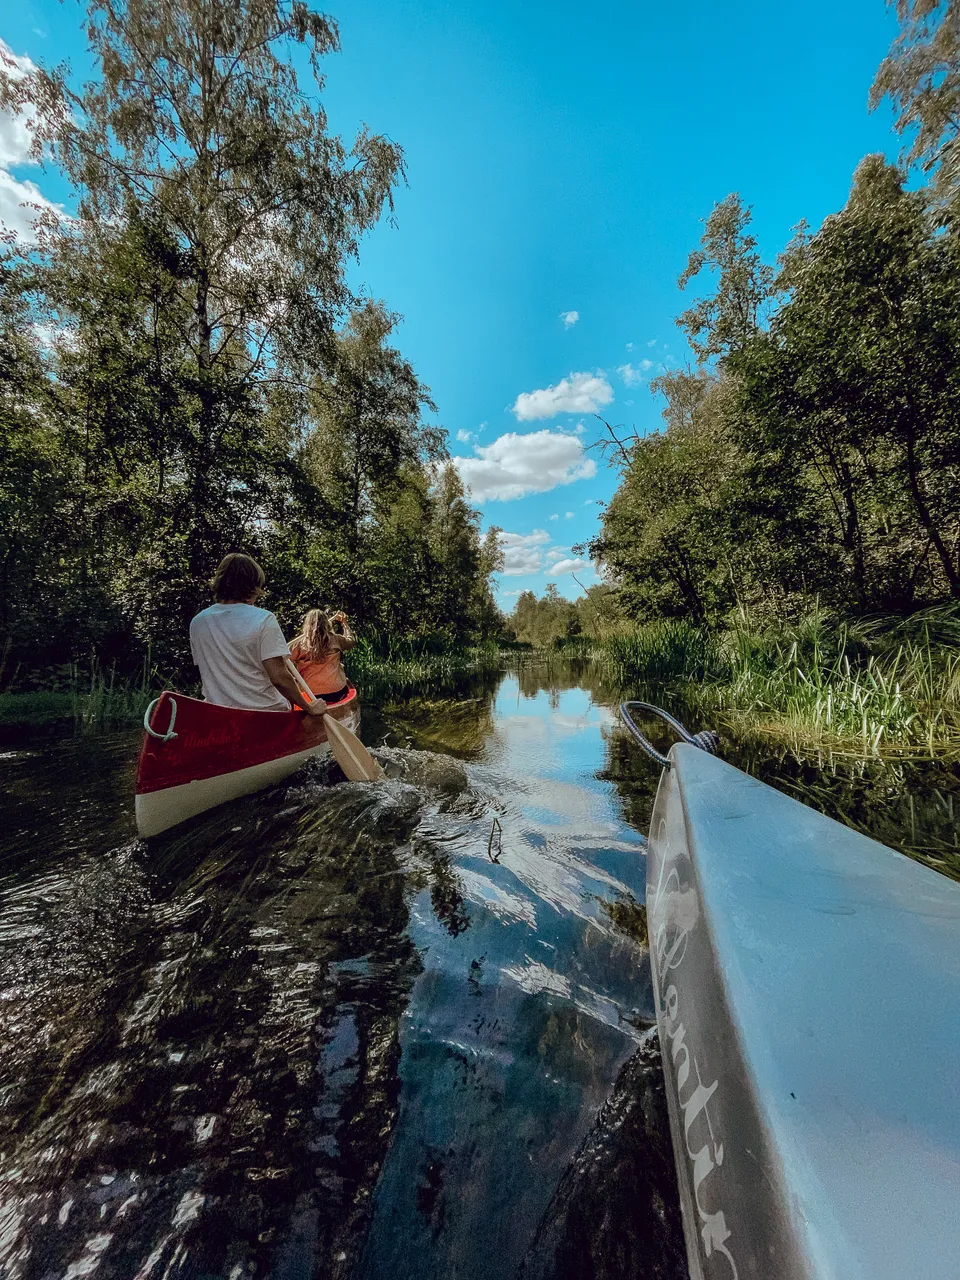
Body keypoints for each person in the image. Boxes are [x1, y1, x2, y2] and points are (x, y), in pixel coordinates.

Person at [189, 553, 327, 716]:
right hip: (266, 714)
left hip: (220, 716)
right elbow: (279, 678)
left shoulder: (198, 622)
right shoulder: (264, 619)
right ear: (253, 586)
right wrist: (309, 707)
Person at [288, 608, 356, 704]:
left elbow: (283, 662)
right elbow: (351, 642)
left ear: (307, 624)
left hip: (310, 693)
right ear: (326, 623)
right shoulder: (336, 639)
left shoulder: (298, 644)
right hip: (336, 692)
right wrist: (345, 624)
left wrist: (293, 678)